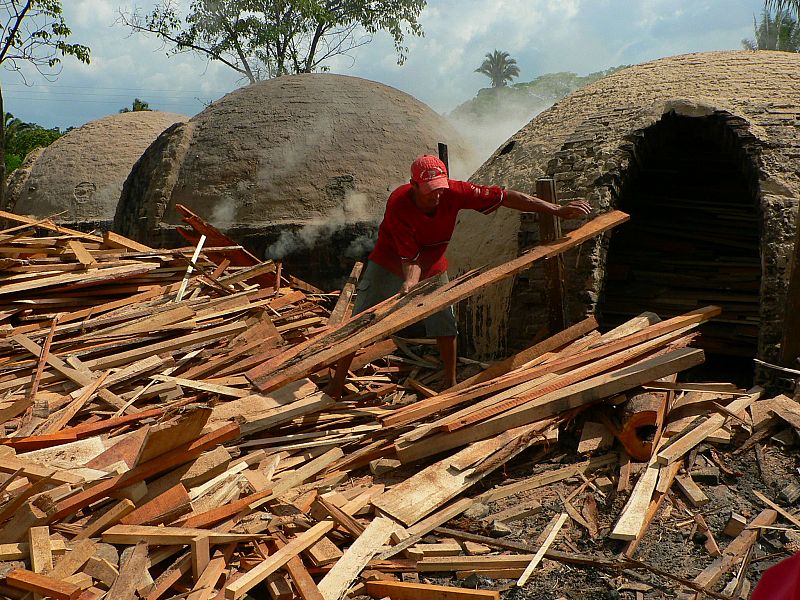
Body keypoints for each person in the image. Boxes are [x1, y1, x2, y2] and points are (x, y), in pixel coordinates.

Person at [328, 154, 591, 398]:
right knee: (361, 320)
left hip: (431, 265)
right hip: (389, 261)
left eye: (440, 188)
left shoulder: (454, 192)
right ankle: (337, 383)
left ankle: (450, 383)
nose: (438, 196)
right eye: (430, 191)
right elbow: (411, 260)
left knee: (445, 322)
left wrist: (556, 210)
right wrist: (410, 284)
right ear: (413, 185)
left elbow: (506, 197)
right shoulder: (398, 203)